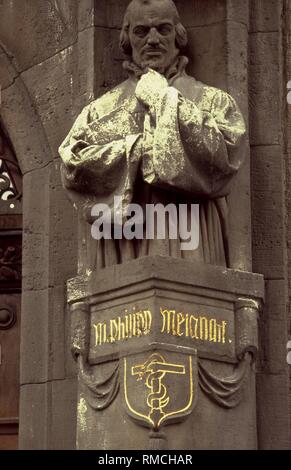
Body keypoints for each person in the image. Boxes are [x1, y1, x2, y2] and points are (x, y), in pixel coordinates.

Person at [59, 0, 246, 269]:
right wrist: (142, 150)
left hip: (192, 227)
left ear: (178, 36)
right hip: (126, 235)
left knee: (192, 305)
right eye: (142, 31)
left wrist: (164, 99)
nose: (153, 39)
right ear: (128, 39)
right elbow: (73, 167)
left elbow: (227, 157)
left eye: (163, 29)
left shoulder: (212, 101)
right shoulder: (101, 109)